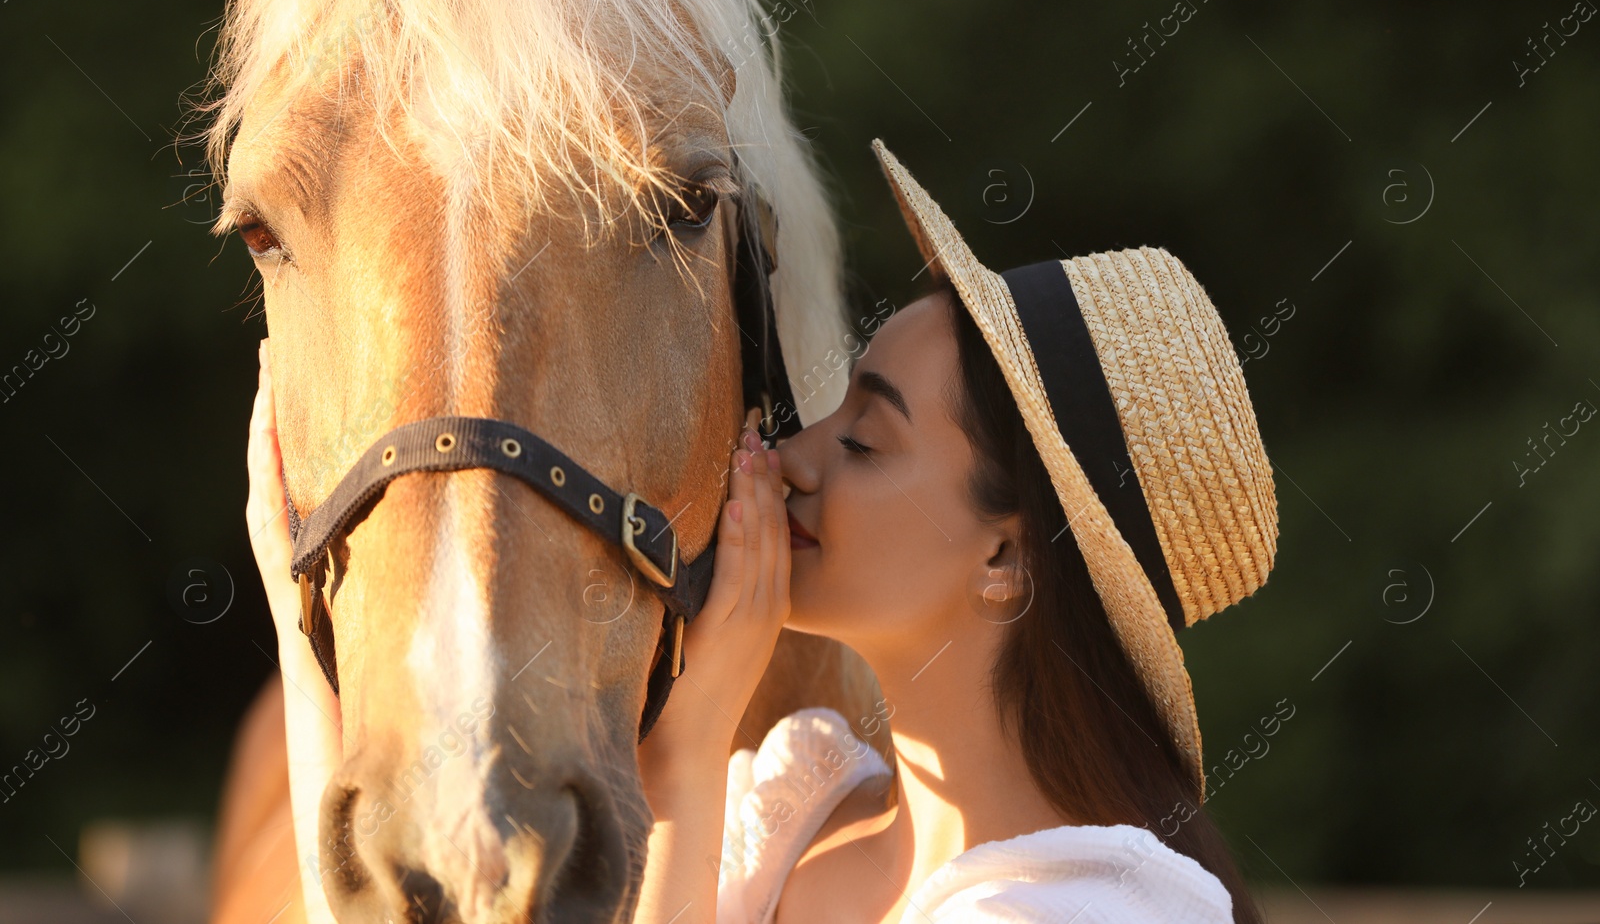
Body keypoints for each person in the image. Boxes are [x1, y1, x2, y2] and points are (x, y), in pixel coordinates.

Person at [246, 139, 1278, 923]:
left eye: (865, 440)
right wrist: (300, 603)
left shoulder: (1078, 912)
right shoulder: (806, 807)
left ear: (1006, 554)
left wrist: (690, 747)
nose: (786, 455)